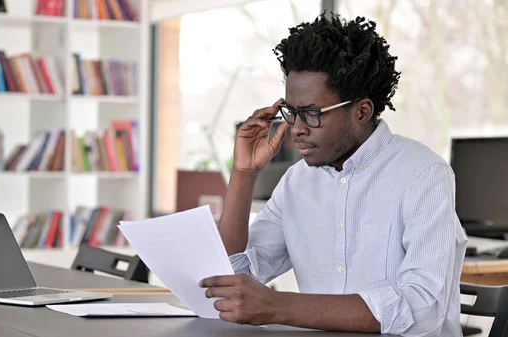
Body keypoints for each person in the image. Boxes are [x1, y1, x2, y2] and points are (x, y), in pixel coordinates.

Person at [199, 12, 468, 336]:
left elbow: (424, 308)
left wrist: (279, 306)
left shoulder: (423, 174)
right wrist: (243, 175)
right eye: (292, 113)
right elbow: (231, 279)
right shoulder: (297, 183)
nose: (296, 129)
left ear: (362, 110)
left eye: (311, 114)